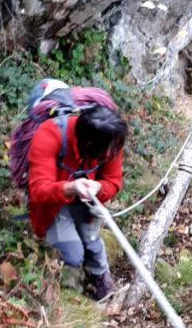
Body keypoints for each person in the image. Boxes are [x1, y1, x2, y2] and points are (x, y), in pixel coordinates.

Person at [27, 104, 128, 300]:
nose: (110, 156)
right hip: (52, 203)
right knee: (73, 255)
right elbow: (38, 190)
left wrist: (99, 188)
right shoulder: (49, 135)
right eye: (105, 153)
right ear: (89, 145)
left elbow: (113, 182)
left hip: (86, 201)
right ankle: (69, 286)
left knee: (91, 240)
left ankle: (101, 280)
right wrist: (70, 188)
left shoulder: (112, 141)